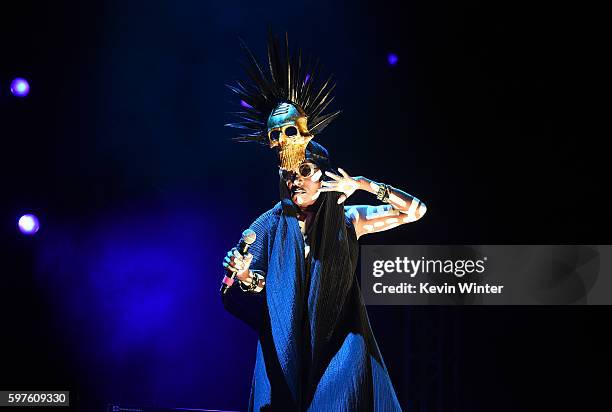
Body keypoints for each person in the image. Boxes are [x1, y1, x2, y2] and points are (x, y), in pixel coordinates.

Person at [220, 33, 426, 411]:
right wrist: (245, 276)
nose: (294, 179)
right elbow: (241, 289)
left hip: (338, 345)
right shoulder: (268, 224)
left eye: (304, 171)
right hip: (289, 351)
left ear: (323, 175)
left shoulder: (347, 220)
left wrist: (364, 184)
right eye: (287, 173)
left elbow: (415, 211)